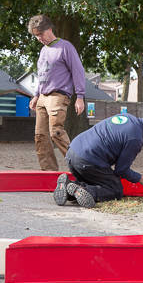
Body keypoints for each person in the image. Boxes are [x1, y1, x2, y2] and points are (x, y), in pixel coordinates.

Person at [53, 114, 143, 208]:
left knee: (98, 181)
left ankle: (69, 187)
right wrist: (140, 178)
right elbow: (121, 170)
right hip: (88, 160)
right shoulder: (135, 139)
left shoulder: (128, 118)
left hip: (72, 153)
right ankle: (82, 189)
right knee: (115, 190)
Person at [27, 14, 86, 171]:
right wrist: (36, 95)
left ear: (50, 29)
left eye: (41, 34)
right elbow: (42, 76)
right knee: (40, 137)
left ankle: (82, 166)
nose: (39, 38)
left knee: (56, 132)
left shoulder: (65, 47)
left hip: (58, 95)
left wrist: (80, 97)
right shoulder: (43, 51)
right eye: (36, 35)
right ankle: (49, 172)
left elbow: (78, 71)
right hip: (42, 98)